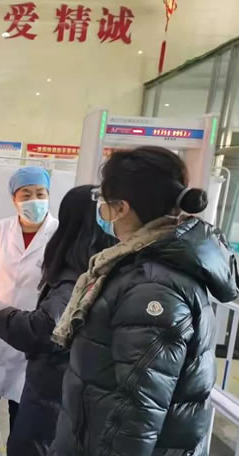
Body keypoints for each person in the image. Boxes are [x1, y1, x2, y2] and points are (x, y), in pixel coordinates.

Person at [50, 146, 239, 455]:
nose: (101, 210)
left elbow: (137, 411)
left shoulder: (152, 287)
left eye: (102, 200)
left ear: (121, 208)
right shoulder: (145, 266)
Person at [0, 185, 115, 456]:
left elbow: (45, 328)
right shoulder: (103, 265)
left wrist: (5, 316)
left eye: (40, 193)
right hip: (70, 388)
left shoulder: (76, 273)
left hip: (54, 389)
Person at [0, 166, 59, 456]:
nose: (34, 200)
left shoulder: (59, 235)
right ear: (14, 199)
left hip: (33, 334)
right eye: (26, 194)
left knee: (24, 415)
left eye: (40, 193)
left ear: (48, 195)